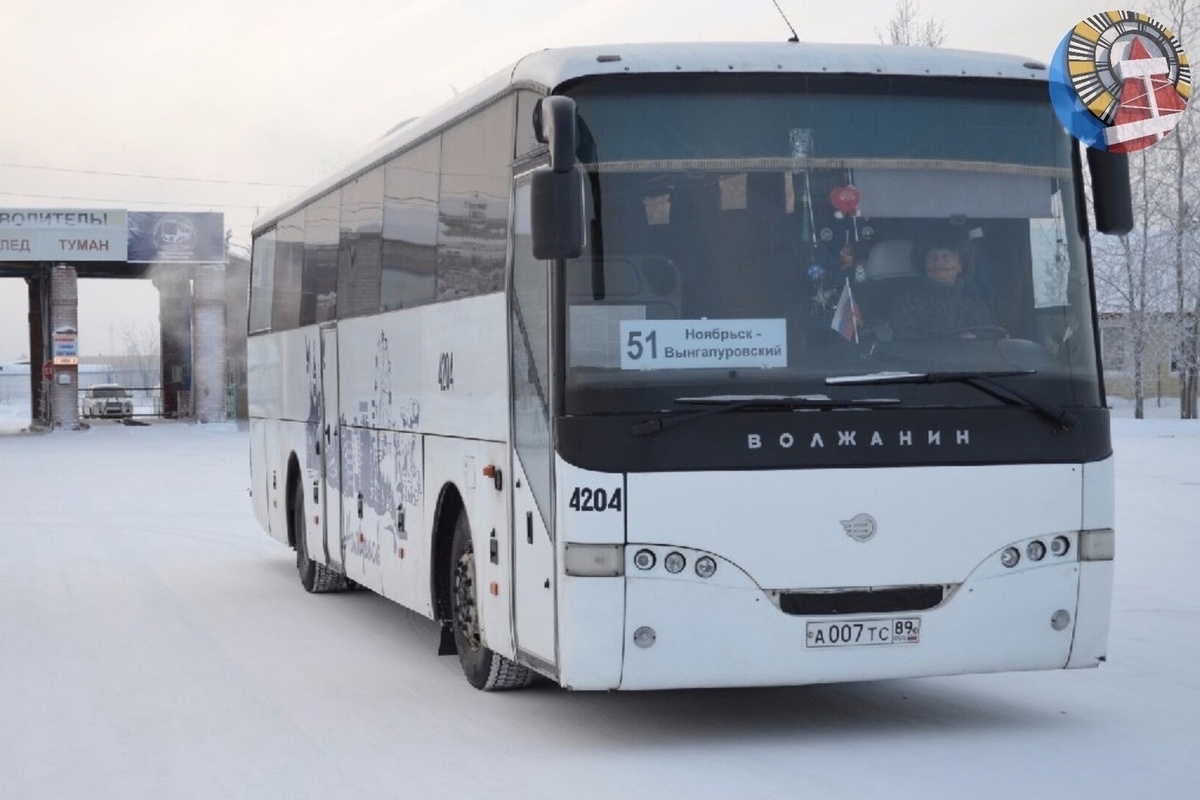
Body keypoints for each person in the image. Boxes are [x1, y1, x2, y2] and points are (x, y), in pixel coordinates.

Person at [889, 241, 993, 339]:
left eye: (946, 256)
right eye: (932, 256)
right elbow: (904, 346)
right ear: (924, 264)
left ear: (961, 265)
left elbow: (988, 344)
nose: (938, 262)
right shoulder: (907, 303)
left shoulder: (975, 304)